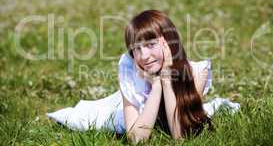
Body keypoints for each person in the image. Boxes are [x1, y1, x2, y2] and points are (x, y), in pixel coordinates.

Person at [47, 10, 240, 143]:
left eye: (151, 44)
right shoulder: (131, 70)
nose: (143, 56)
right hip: (127, 107)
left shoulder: (198, 72)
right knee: (87, 118)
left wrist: (165, 77)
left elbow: (180, 137)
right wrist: (156, 86)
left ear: (168, 42)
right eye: (136, 49)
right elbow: (137, 138)